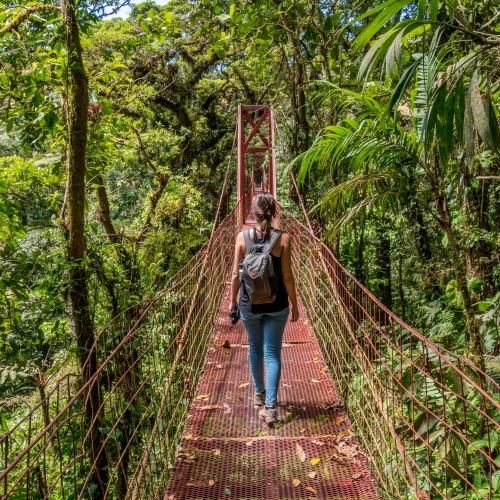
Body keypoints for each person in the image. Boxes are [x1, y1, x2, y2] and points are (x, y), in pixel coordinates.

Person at [230, 192, 299, 425]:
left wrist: (233, 302)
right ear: (274, 213)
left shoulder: (242, 238)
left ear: (253, 213)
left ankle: (259, 395)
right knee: (272, 353)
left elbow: (234, 276)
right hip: (277, 305)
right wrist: (295, 305)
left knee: (255, 348)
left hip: (250, 305)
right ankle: (270, 406)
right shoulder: (284, 239)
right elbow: (288, 277)